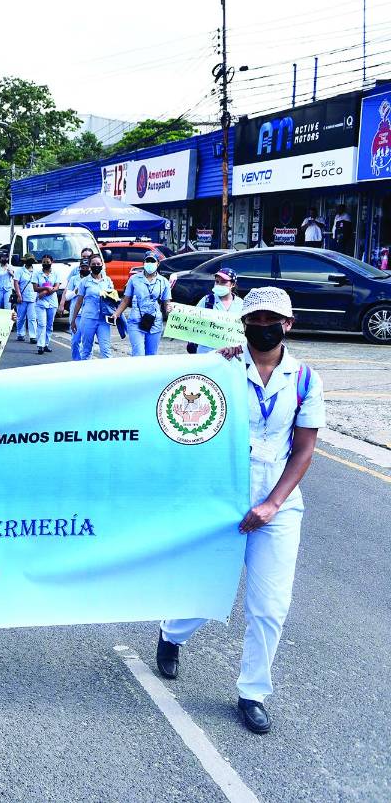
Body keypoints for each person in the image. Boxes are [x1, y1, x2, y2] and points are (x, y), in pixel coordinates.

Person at [157, 286, 323, 736]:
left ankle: (252, 692)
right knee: (210, 585)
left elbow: (304, 450)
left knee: (270, 605)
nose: (263, 327)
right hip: (224, 493)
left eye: (273, 320)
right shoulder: (224, 367)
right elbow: (184, 411)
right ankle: (172, 634)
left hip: (279, 502)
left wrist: (272, 503)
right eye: (256, 320)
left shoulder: (305, 379)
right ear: (244, 324)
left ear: (288, 325)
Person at [114, 255, 171, 357]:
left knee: (151, 355)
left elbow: (166, 303)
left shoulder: (163, 281)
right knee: (138, 354)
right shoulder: (134, 279)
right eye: (147, 261)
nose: (149, 264)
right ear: (143, 263)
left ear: (158, 263)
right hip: (136, 321)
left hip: (155, 322)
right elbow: (126, 300)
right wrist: (116, 314)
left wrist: (169, 310)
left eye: (152, 261)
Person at [69, 254, 115, 361]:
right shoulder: (84, 281)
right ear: (90, 266)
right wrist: (73, 320)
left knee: (106, 350)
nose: (96, 266)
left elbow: (113, 301)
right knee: (86, 350)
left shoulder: (107, 281)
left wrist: (115, 315)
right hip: (88, 319)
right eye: (93, 264)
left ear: (102, 265)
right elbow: (79, 302)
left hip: (103, 320)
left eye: (98, 264)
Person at [188, 268, 241, 354]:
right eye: (217, 281)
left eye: (224, 282)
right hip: (207, 352)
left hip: (231, 353)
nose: (219, 285)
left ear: (233, 284)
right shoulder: (206, 301)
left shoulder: (240, 304)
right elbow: (192, 321)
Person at [32, 255, 61, 354]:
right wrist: (47, 289)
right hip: (40, 303)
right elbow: (35, 288)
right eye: (44, 262)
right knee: (42, 324)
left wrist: (45, 292)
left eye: (47, 262)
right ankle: (40, 345)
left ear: (52, 262)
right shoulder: (37, 274)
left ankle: (46, 344)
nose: (46, 264)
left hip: (52, 302)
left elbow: (56, 287)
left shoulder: (56, 273)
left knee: (49, 325)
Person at [15, 254, 38, 343]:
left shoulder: (36, 272)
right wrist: (19, 295)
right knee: (21, 317)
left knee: (32, 318)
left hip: (33, 297)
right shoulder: (19, 271)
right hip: (22, 297)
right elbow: (16, 283)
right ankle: (20, 334)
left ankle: (33, 336)